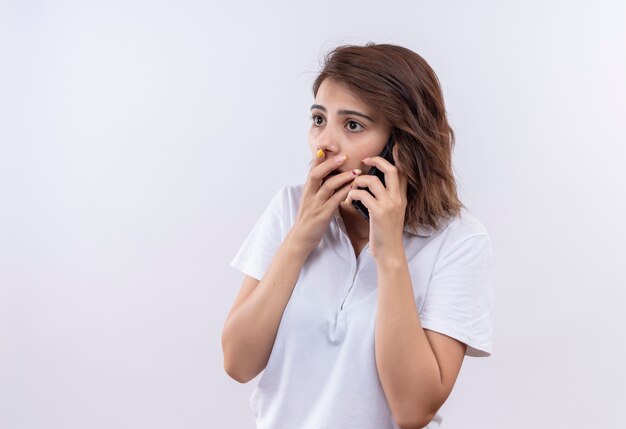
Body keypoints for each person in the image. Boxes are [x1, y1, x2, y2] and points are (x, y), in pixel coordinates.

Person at [222, 43, 494, 429]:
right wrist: (301, 237)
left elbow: (414, 410)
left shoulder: (459, 241)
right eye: (319, 119)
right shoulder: (288, 208)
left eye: (352, 125)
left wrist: (390, 255)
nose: (324, 143)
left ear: (403, 144)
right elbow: (238, 362)